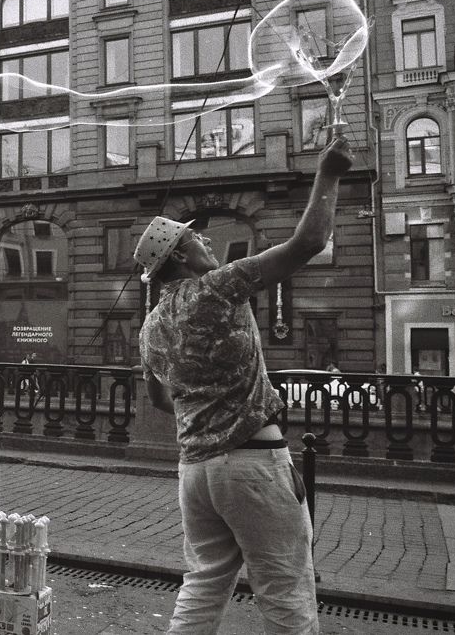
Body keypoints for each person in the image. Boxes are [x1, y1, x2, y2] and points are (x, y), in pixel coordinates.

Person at [137, 134, 353, 634]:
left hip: (195, 473)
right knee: (285, 589)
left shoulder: (149, 326)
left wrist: (206, 405)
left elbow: (158, 398)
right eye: (196, 239)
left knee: (204, 583)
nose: (207, 240)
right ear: (180, 258)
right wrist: (330, 173)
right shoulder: (216, 287)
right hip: (253, 464)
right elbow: (309, 244)